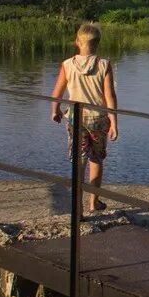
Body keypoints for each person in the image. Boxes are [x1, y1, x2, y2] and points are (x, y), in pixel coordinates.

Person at [49, 22, 118, 212]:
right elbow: (110, 96)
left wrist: (55, 110)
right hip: (98, 119)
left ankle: (77, 204)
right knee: (96, 160)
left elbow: (57, 92)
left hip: (76, 119)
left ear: (78, 42)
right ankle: (93, 201)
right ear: (97, 44)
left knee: (79, 161)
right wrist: (114, 123)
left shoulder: (67, 65)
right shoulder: (104, 65)